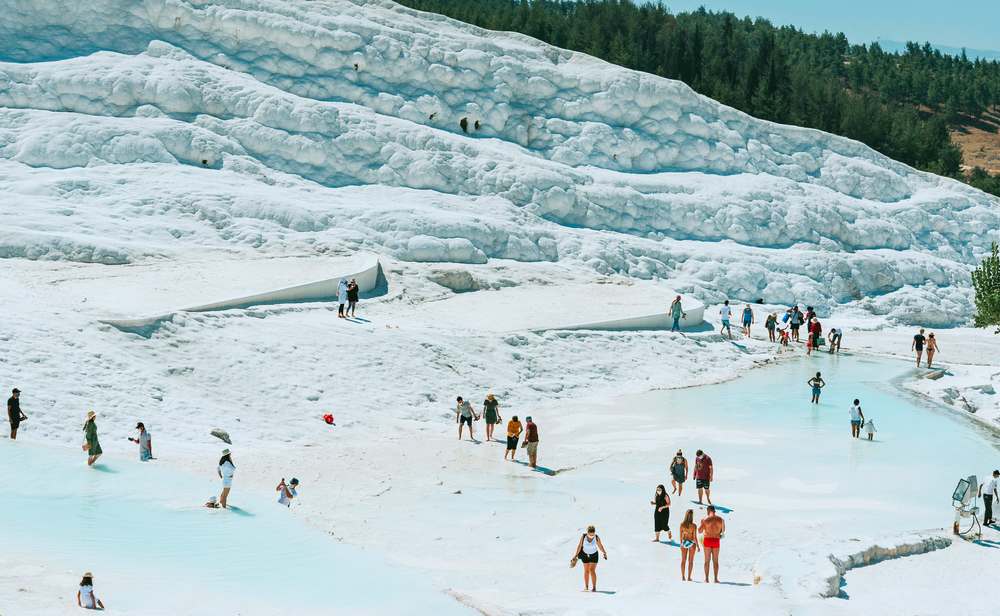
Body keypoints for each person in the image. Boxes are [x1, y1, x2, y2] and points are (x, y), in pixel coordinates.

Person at [572, 525, 607, 592]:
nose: (591, 536)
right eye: (590, 534)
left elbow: (600, 545)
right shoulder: (583, 537)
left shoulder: (596, 537)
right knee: (586, 571)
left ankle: (594, 587)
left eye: (592, 534)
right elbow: (580, 546)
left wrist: (604, 553)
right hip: (585, 555)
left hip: (594, 555)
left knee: (592, 570)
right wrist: (576, 555)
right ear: (587, 533)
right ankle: (586, 586)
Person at [698, 506, 726, 583]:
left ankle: (706, 579)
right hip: (716, 540)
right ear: (715, 511)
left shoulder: (705, 519)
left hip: (707, 540)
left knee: (707, 561)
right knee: (715, 561)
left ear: (708, 512)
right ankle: (716, 579)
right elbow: (722, 530)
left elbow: (700, 531)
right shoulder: (721, 519)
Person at [679, 509, 699, 581]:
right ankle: (689, 577)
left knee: (683, 560)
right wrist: (698, 546)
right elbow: (695, 537)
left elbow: (681, 536)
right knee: (690, 561)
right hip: (691, 543)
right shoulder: (694, 526)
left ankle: (683, 577)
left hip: (684, 542)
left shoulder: (682, 524)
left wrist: (681, 543)